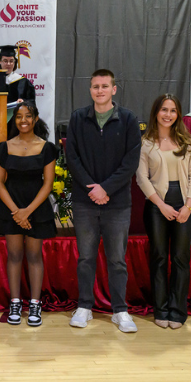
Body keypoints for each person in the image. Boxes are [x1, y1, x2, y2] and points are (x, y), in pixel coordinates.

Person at [64, 69, 142, 332]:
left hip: (117, 203)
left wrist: (106, 188)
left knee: (117, 259)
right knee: (85, 257)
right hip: (85, 201)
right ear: (90, 90)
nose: (100, 90)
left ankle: (120, 311)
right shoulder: (77, 118)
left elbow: (131, 161)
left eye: (105, 86)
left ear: (114, 89)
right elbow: (72, 158)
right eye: (95, 86)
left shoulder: (129, 119)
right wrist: (92, 189)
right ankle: (84, 307)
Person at [136, 94, 191, 330]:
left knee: (181, 260)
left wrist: (189, 206)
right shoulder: (145, 142)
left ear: (178, 114)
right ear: (156, 112)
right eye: (164, 110)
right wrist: (161, 205)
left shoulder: (188, 142)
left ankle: (177, 310)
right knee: (160, 258)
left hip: (185, 205)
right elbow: (141, 177)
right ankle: (161, 309)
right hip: (156, 207)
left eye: (173, 110)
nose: (168, 114)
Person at [0, 102, 57, 327]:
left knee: (34, 256)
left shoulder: (47, 148)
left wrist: (27, 212)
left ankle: (35, 304)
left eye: (28, 116)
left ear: (36, 119)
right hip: (11, 206)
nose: (23, 120)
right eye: (19, 116)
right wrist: (16, 212)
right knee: (14, 255)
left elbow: (48, 184)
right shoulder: (3, 147)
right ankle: (15, 302)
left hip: (36, 208)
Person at [0, 44, 36, 121]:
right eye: (5, 61)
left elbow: (32, 103)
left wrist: (24, 103)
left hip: (17, 123)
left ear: (15, 62)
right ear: (0, 61)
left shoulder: (23, 82)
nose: (8, 64)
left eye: (11, 61)